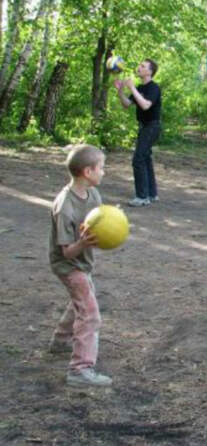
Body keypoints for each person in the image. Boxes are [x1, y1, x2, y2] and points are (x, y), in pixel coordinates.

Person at [48, 144, 112, 386]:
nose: (104, 172)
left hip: (82, 262)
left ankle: (60, 342)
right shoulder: (65, 205)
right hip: (68, 264)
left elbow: (99, 220)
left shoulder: (93, 194)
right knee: (90, 314)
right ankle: (80, 369)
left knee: (81, 301)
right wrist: (84, 243)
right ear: (88, 172)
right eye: (101, 168)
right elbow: (66, 252)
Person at [114, 59, 162, 207]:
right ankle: (152, 194)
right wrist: (120, 91)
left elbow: (146, 105)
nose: (139, 68)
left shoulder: (153, 88)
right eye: (139, 65)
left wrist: (133, 88)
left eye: (143, 66)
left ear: (150, 72)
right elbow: (126, 105)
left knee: (138, 159)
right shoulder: (140, 87)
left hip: (152, 127)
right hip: (144, 127)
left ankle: (142, 197)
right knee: (145, 159)